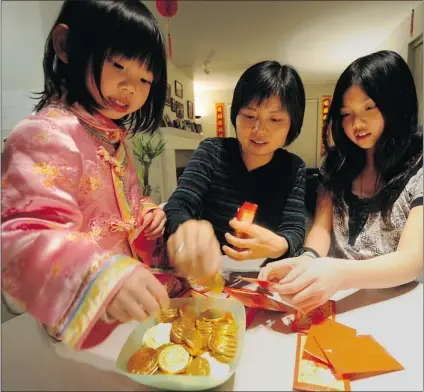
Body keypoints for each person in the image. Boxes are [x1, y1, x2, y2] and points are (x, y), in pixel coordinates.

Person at [1, 0, 171, 349]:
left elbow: (123, 208)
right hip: (80, 322)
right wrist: (100, 277)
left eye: (145, 79)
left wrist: (148, 214)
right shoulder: (43, 134)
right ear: (66, 47)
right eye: (119, 65)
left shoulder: (112, 137)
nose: (131, 88)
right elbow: (23, 236)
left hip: (126, 314)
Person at [260, 50, 423, 314]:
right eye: (347, 114)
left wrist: (339, 273)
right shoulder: (336, 163)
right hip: (336, 298)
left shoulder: (419, 166)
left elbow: (411, 260)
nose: (357, 124)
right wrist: (307, 260)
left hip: (394, 302)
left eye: (369, 107)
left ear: (396, 103)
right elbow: (322, 229)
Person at [165, 61, 307, 279]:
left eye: (276, 119)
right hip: (207, 273)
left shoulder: (293, 168)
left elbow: (294, 231)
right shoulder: (212, 151)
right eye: (250, 116)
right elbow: (178, 206)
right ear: (236, 115)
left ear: (291, 126)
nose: (259, 130)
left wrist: (280, 244)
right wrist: (186, 230)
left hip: (262, 275)